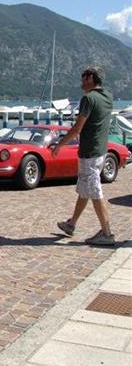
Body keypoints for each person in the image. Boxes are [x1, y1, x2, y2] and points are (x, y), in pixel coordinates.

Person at [54, 67, 115, 245]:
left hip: (89, 152)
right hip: (101, 151)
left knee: (95, 191)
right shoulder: (108, 97)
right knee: (85, 188)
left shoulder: (88, 99)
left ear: (91, 78)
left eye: (83, 77)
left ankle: (107, 233)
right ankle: (71, 224)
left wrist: (60, 144)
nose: (81, 80)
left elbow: (77, 128)